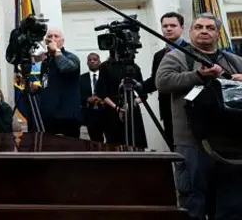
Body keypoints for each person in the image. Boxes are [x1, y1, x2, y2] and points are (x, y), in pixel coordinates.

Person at [156, 13, 242, 220]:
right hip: (191, 142)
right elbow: (163, 82)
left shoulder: (234, 60)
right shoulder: (175, 57)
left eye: (210, 28)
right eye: (199, 27)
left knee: (231, 203)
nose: (204, 31)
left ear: (218, 33)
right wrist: (199, 76)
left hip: (230, 144)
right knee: (192, 202)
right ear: (191, 31)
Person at [143, 11, 187, 149]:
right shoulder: (159, 55)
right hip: (167, 111)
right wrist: (138, 86)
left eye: (173, 25)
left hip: (187, 110)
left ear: (182, 28)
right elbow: (156, 81)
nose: (168, 29)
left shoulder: (191, 51)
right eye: (165, 26)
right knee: (175, 151)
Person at [33, 28, 81, 138]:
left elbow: (66, 68)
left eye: (56, 36)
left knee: (70, 151)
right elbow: (48, 85)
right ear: (45, 41)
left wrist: (56, 51)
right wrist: (38, 88)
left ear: (62, 41)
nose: (52, 39)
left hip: (67, 117)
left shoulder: (71, 57)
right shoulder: (46, 62)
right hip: (48, 117)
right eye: (49, 37)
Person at [95, 51, 148, 149]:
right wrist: (117, 108)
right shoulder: (105, 66)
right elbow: (101, 92)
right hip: (112, 111)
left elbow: (143, 94)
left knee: (136, 142)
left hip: (132, 110)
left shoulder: (134, 67)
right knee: (114, 144)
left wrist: (132, 103)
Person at [80, 52, 105, 142]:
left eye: (95, 59)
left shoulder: (106, 76)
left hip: (106, 113)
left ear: (99, 62)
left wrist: (103, 99)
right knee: (95, 141)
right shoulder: (81, 78)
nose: (92, 61)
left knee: (112, 141)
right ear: (87, 63)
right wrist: (87, 99)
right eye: (90, 60)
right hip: (90, 114)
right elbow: (77, 96)